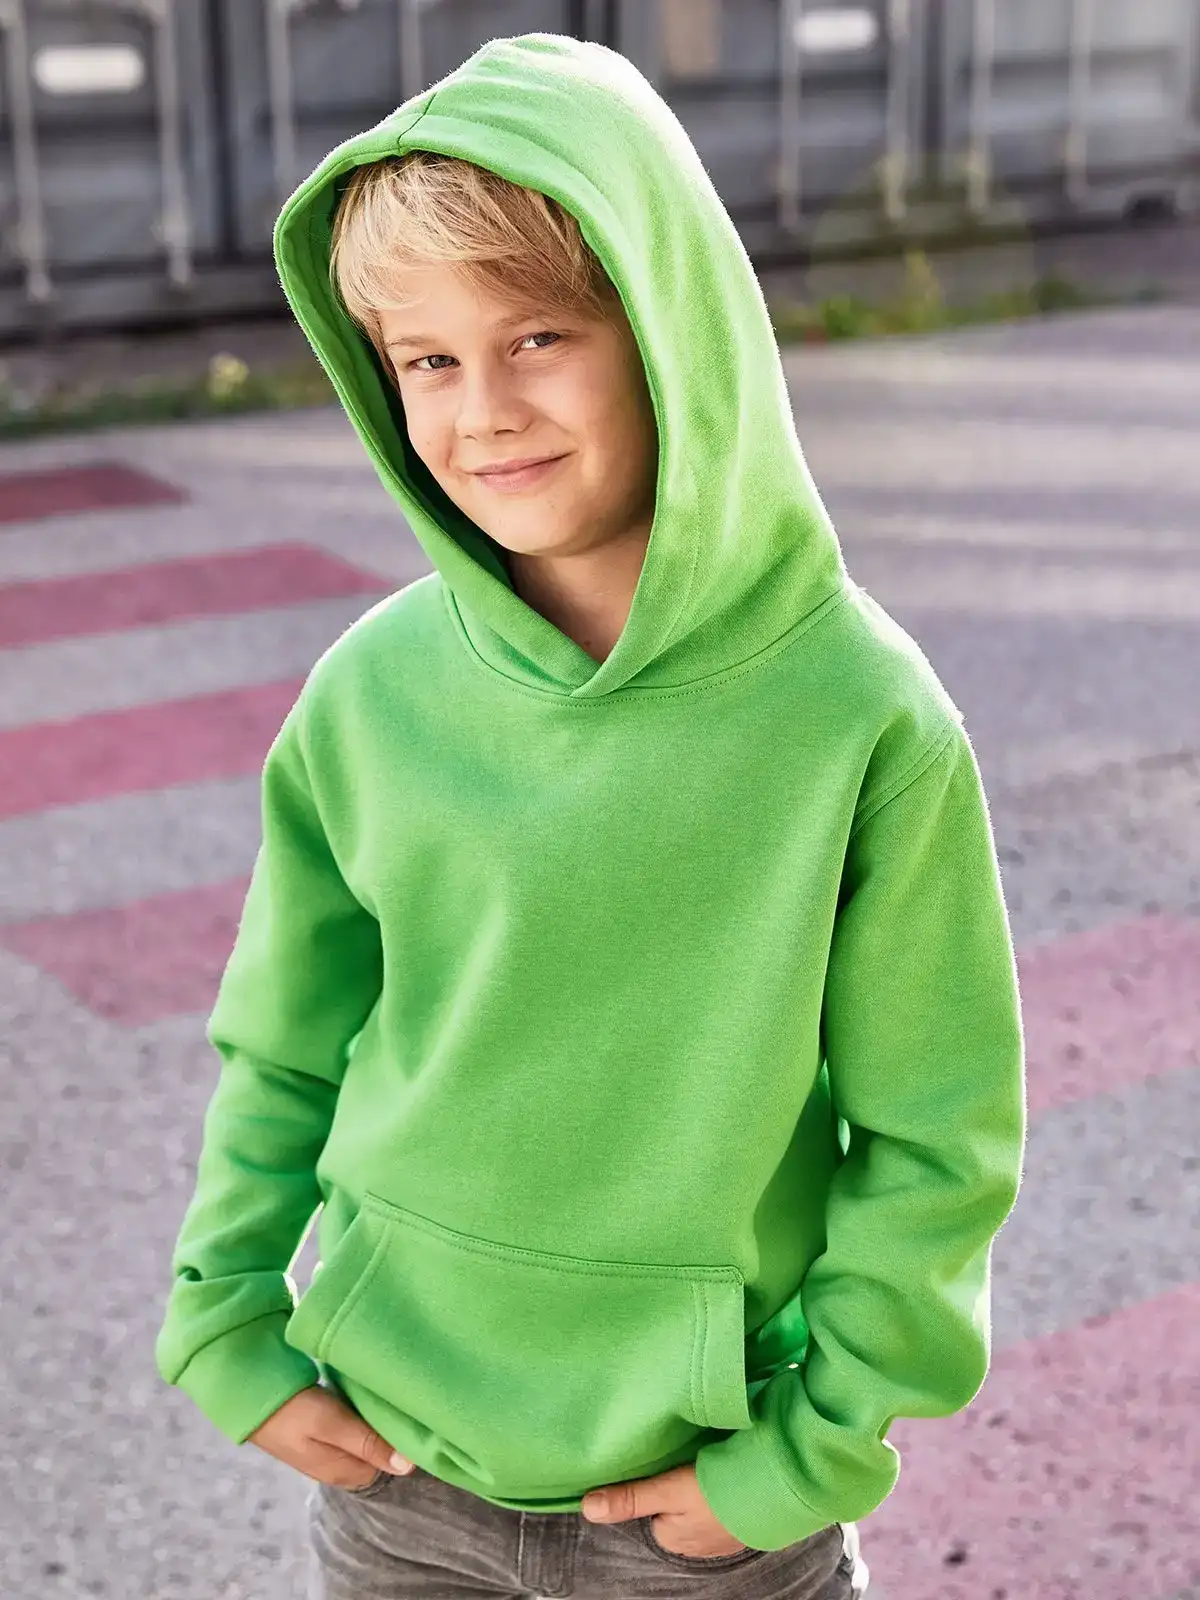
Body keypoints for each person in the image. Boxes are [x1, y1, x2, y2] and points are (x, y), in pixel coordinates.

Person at [155, 32, 1025, 1600]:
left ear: (668, 328)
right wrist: (225, 1321)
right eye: (427, 360)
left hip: (705, 1497)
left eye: (538, 335)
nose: (484, 408)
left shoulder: (861, 719)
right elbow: (282, 1045)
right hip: (396, 1469)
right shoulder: (371, 694)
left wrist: (807, 1456)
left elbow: (935, 1142)